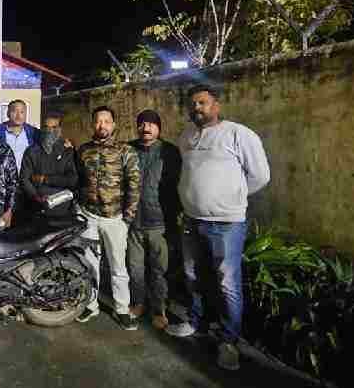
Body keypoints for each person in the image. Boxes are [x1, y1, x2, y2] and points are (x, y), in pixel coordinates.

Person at [165, 84, 270, 372]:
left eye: (202, 102)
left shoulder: (238, 134)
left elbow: (261, 176)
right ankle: (196, 321)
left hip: (227, 223)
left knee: (227, 284)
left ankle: (228, 341)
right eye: (192, 104)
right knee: (192, 275)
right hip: (191, 219)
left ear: (216, 105)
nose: (196, 108)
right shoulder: (186, 136)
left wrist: (231, 197)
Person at [75, 106, 141, 330]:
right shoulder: (84, 150)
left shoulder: (125, 150)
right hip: (89, 217)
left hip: (115, 219)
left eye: (106, 121)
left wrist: (128, 217)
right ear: (92, 124)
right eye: (97, 121)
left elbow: (134, 184)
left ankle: (121, 308)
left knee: (118, 267)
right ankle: (91, 305)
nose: (101, 125)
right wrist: (79, 209)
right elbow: (78, 181)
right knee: (90, 264)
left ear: (113, 125)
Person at [126, 109, 182, 332]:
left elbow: (177, 185)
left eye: (151, 124)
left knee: (160, 270)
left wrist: (174, 217)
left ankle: (159, 310)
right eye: (142, 124)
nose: (146, 128)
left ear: (159, 127)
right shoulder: (128, 149)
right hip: (133, 222)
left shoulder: (170, 152)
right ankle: (138, 303)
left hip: (159, 222)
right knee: (135, 268)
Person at [19, 111, 78, 219]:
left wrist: (45, 179)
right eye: (46, 127)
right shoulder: (31, 151)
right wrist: (36, 196)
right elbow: (24, 179)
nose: (49, 131)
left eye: (54, 127)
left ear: (60, 129)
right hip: (36, 209)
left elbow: (72, 180)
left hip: (63, 208)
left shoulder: (67, 151)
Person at [0, 99, 40, 173]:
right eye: (14, 111)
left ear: (25, 114)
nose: (18, 115)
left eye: (22, 112)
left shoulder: (34, 133)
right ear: (8, 113)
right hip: (4, 176)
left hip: (27, 176)